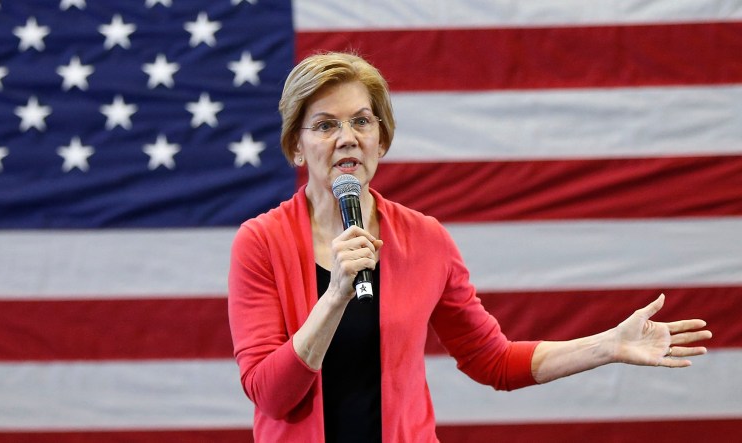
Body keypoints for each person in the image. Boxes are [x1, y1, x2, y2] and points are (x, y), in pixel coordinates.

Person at [227, 51, 712, 442]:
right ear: (296, 146)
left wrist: (605, 346)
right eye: (326, 125)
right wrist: (335, 295)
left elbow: (493, 360)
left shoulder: (424, 239)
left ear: (382, 139)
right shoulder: (260, 242)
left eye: (362, 122)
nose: (347, 138)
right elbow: (270, 395)